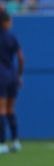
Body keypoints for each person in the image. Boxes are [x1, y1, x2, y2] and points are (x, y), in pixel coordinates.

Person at [0, 11, 24, 154]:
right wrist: (19, 74)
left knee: (1, 110)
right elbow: (21, 58)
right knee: (11, 110)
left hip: (1, 77)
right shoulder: (12, 38)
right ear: (5, 22)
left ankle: (2, 143)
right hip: (12, 76)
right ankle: (15, 141)